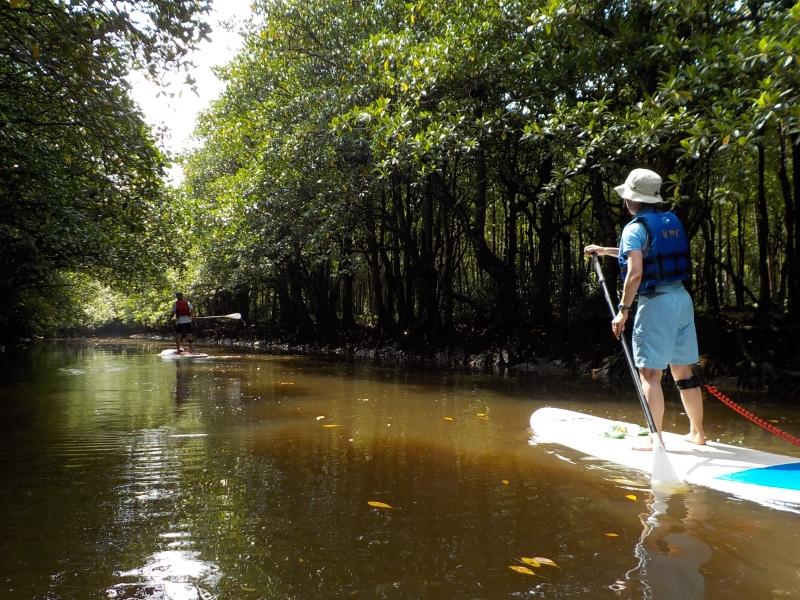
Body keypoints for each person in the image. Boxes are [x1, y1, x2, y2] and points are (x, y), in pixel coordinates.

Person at [584, 168, 706, 449]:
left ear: (631, 199)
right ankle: (697, 433)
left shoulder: (634, 228)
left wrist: (623, 310)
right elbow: (644, 254)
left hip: (657, 304)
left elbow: (635, 272)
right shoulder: (671, 221)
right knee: (683, 371)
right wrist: (604, 250)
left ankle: (655, 439)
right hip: (681, 299)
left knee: (650, 373)